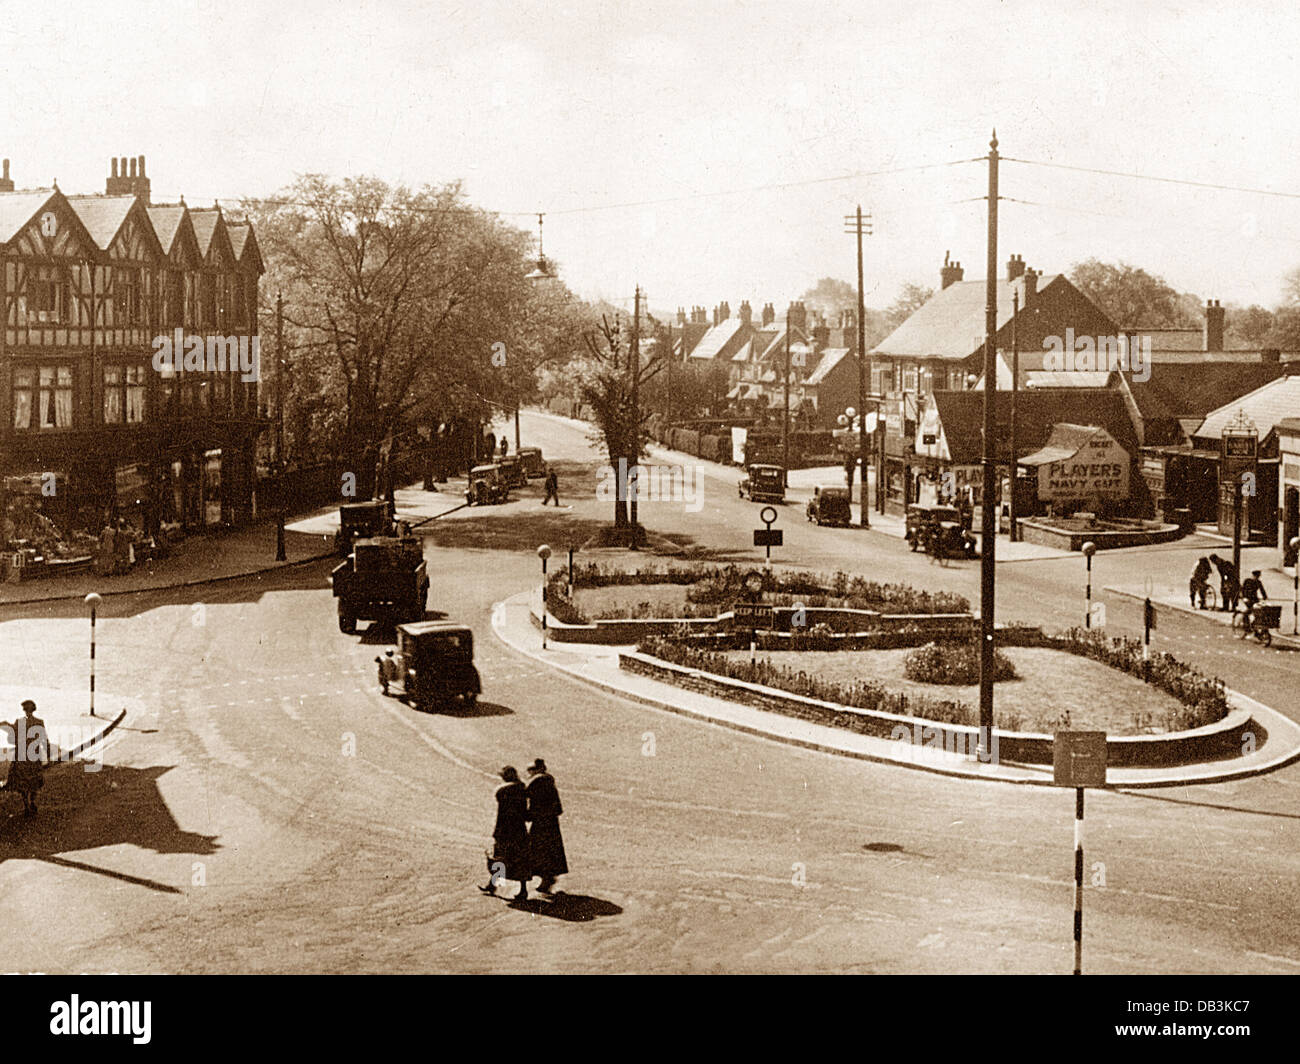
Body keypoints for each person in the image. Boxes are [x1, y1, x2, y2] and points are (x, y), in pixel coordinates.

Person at [480, 767, 530, 900]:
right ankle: (522, 890)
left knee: (501, 858)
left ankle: (494, 885)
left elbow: (498, 797)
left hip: (504, 830)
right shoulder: (522, 789)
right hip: (519, 830)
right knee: (519, 860)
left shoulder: (503, 790)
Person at [525, 758, 568, 894]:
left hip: (540, 822)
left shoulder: (536, 781)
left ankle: (547, 879)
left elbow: (528, 799)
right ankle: (548, 878)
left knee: (539, 850)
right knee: (550, 850)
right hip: (551, 822)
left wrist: (527, 815)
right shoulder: (549, 781)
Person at [4, 700, 49, 816]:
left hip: (22, 756)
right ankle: (32, 802)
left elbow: (12, 739)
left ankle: (26, 805)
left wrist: (6, 726)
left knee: (22, 782)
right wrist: (48, 754)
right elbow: (44, 740)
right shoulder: (39, 722)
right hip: (33, 756)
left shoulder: (19, 722)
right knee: (34, 781)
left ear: (24, 710)